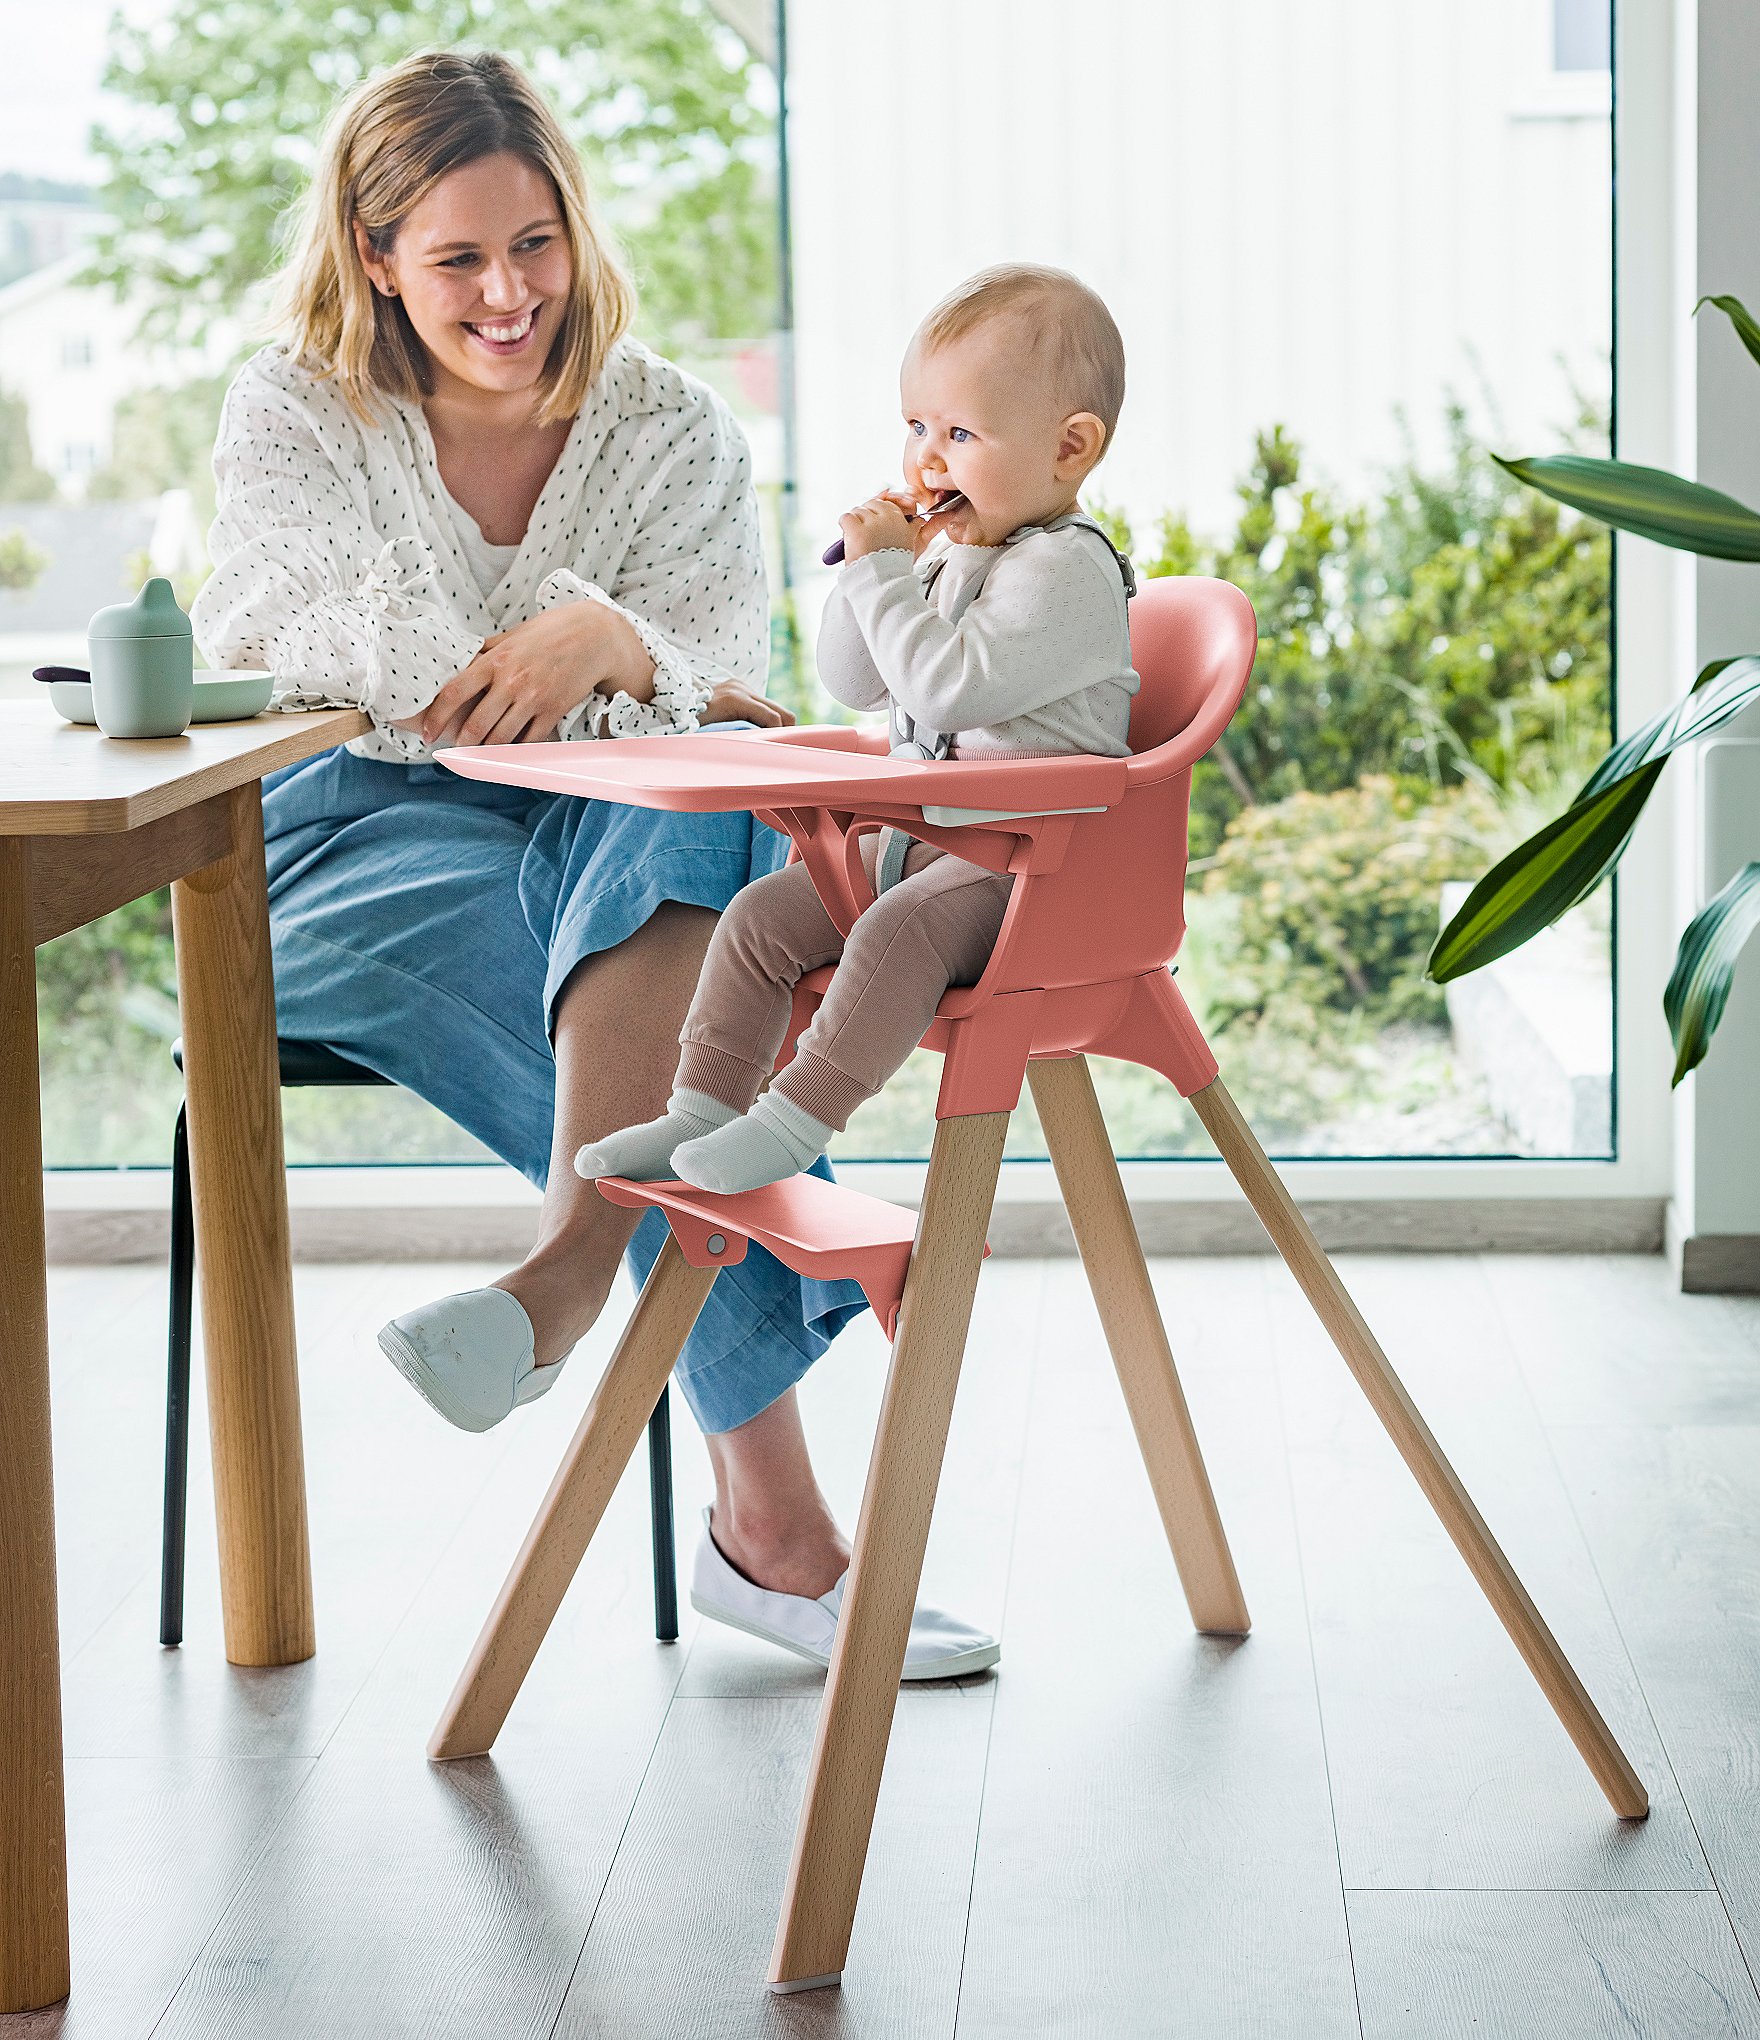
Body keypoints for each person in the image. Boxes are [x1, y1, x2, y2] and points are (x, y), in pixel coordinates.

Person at [192, 49, 994, 1679]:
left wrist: (616, 637)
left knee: (691, 829)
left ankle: (561, 1286)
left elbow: (723, 673)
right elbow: (290, 618)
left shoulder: (671, 424)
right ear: (374, 257)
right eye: (459, 258)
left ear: (576, 228)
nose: (509, 294)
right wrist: (554, 647)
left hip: (610, 819)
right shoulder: (294, 405)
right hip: (357, 824)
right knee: (655, 1005)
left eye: (535, 244)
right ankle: (776, 1532)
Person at [576, 264, 1138, 1196]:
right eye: (917, 427)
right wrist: (876, 574)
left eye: (961, 433)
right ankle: (701, 1108)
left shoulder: (1065, 572)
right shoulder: (963, 556)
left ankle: (795, 1122)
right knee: (761, 917)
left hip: (1043, 865)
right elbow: (859, 682)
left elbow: (949, 691)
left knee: (898, 931)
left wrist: (884, 576)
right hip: (941, 840)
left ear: (1070, 449)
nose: (927, 457)